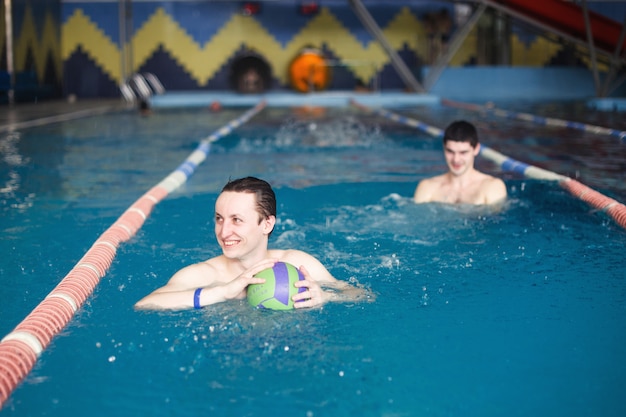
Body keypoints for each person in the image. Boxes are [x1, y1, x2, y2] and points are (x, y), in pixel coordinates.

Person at [135, 177, 372, 310]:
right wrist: (222, 292)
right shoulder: (205, 275)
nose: (224, 231)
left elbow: (362, 295)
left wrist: (327, 297)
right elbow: (145, 304)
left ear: (266, 224)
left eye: (237, 220)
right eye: (219, 219)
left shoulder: (298, 264)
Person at [413, 120, 507, 205]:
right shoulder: (428, 187)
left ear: (476, 149)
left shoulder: (491, 187)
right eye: (450, 151)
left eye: (463, 152)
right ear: (444, 148)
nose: (456, 159)